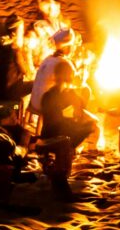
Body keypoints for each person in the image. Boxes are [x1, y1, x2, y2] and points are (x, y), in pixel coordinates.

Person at [33, 62, 94, 200]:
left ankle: (67, 152)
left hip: (46, 134)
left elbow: (45, 117)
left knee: (69, 129)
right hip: (59, 136)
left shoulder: (48, 94)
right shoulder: (69, 93)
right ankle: (69, 150)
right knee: (90, 125)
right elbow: (82, 107)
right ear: (70, 76)